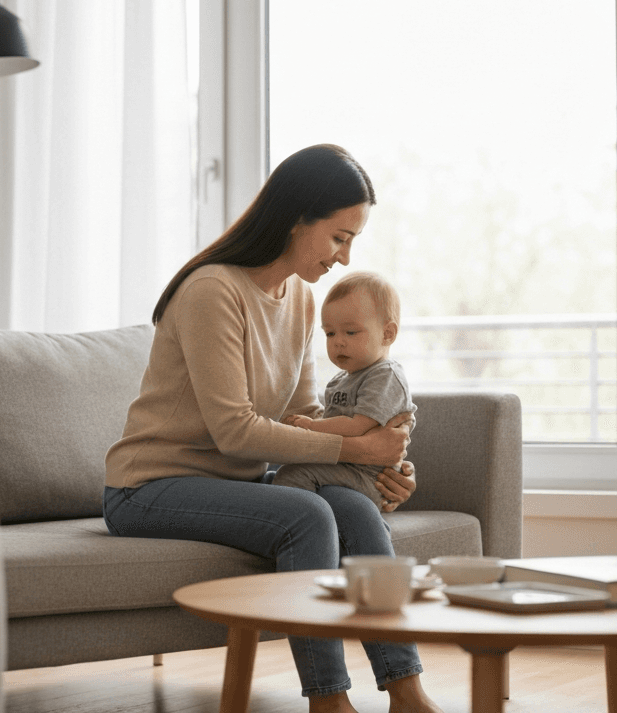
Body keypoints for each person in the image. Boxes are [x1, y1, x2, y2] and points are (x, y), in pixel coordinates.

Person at [103, 144, 444, 713]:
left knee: (353, 509)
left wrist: (376, 466)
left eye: (352, 240)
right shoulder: (213, 290)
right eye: (339, 236)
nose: (345, 256)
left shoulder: (303, 302)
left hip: (229, 485)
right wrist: (356, 445)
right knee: (306, 514)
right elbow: (237, 431)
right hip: (149, 487)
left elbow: (303, 416)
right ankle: (328, 701)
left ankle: (405, 688)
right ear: (296, 219)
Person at [273, 270, 417, 509]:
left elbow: (356, 426)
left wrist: (310, 426)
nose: (338, 341)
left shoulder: (385, 375)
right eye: (330, 333)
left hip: (368, 476)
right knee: (286, 475)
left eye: (350, 332)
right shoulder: (342, 379)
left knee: (294, 476)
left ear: (387, 334)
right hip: (344, 464)